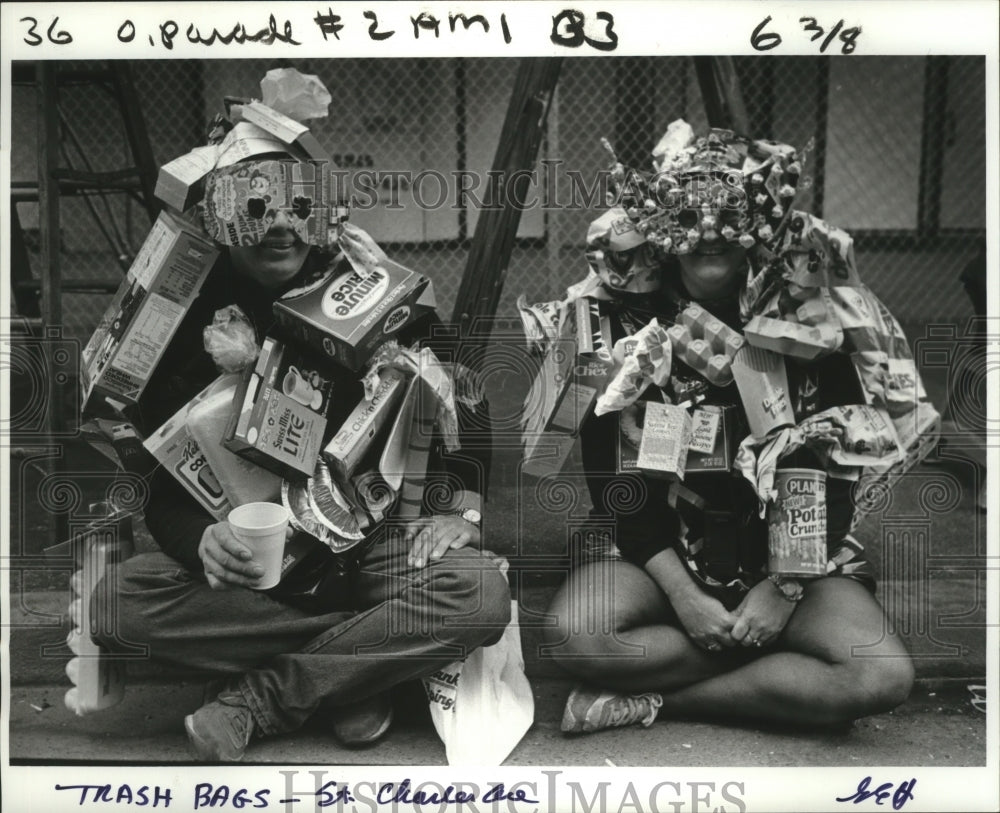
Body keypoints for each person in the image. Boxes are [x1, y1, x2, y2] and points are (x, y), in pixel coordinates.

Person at [90, 92, 509, 762]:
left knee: (482, 595)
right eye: (255, 206)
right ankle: (362, 664)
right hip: (258, 566)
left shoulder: (364, 283)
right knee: (114, 607)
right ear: (218, 213)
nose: (280, 225)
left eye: (296, 205)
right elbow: (158, 484)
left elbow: (462, 388)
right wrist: (202, 541)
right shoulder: (175, 322)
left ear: (319, 208)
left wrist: (465, 505)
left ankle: (264, 698)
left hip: (372, 548)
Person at [535, 123, 923, 735]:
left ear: (760, 222)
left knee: (879, 676)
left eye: (727, 213)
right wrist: (686, 601)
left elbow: (836, 470)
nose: (708, 233)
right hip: (662, 549)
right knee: (576, 635)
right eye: (688, 215)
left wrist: (784, 588)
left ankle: (659, 700)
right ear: (660, 227)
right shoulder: (624, 328)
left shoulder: (810, 321)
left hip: (789, 553)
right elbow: (614, 481)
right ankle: (769, 669)